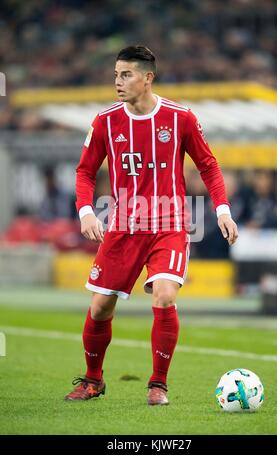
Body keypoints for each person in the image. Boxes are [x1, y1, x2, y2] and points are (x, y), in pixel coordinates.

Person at [65, 45, 238, 405]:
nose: (118, 81)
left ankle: (158, 384)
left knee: (163, 295)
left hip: (169, 224)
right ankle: (93, 381)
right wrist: (84, 211)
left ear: (148, 78)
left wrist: (222, 209)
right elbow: (85, 170)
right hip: (123, 226)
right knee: (100, 307)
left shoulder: (180, 118)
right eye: (115, 74)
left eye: (126, 74)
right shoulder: (105, 121)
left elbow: (208, 165)